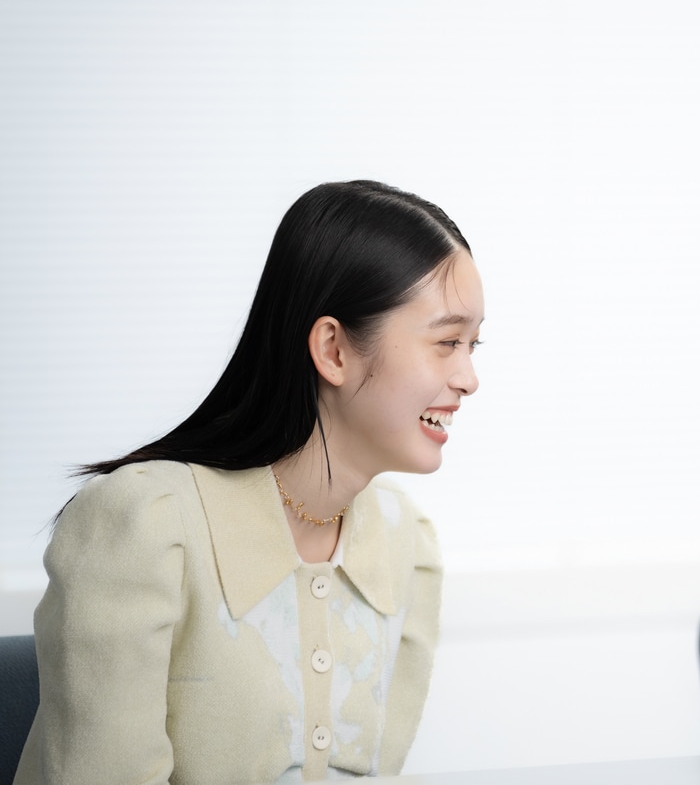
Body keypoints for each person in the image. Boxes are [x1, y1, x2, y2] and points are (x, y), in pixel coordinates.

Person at [16, 180, 484, 784]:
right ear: (334, 350)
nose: (469, 378)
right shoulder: (144, 525)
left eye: (474, 346)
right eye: (447, 342)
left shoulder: (405, 542)